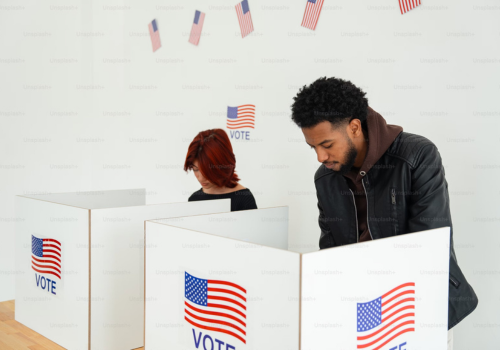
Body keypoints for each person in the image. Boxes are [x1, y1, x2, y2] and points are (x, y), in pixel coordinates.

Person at [290, 76, 478, 349]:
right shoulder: (325, 178)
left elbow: (429, 247)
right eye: (313, 147)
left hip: (419, 307)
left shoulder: (416, 156)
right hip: (361, 313)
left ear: (354, 127)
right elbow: (330, 253)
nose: (320, 157)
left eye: (327, 145)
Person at [184, 128, 257, 212]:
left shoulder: (244, 199)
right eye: (195, 169)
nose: (200, 178)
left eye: (207, 171)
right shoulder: (194, 199)